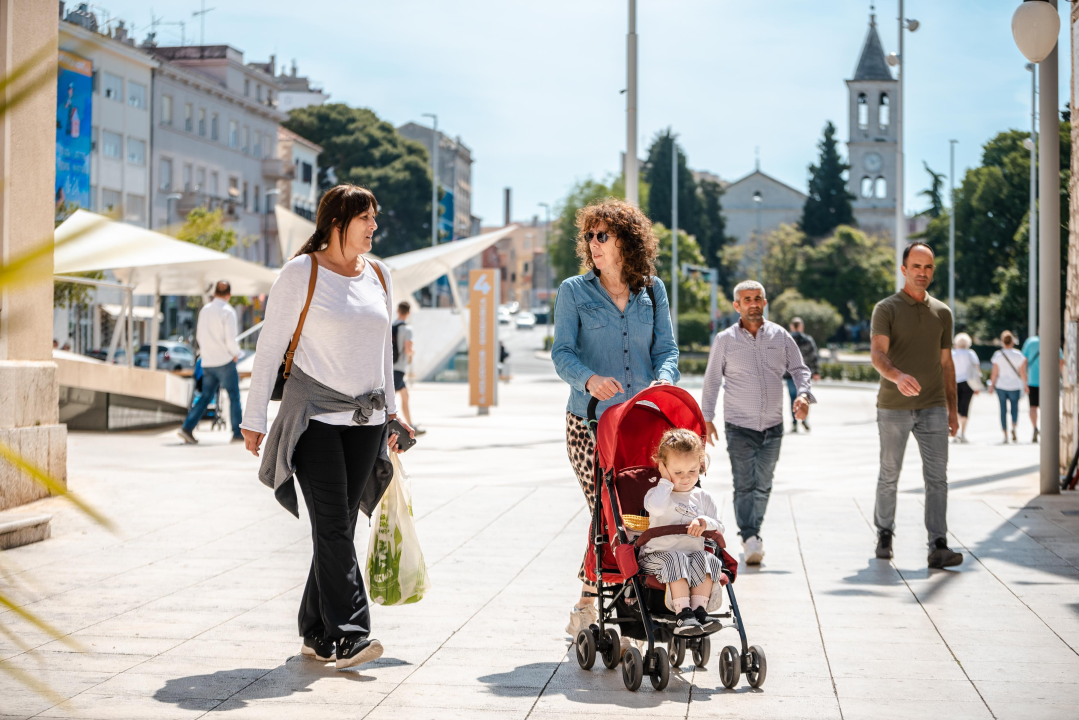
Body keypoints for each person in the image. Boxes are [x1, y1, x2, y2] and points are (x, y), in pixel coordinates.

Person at [239, 184, 414, 670]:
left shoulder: (378, 273)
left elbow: (384, 352)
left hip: (367, 420)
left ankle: (315, 632)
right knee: (334, 526)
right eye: (366, 219)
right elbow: (270, 349)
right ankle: (352, 634)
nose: (374, 227)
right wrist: (253, 419)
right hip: (313, 418)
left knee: (338, 527)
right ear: (337, 223)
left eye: (375, 219)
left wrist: (393, 412)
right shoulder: (302, 273)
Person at [551, 197, 679, 644]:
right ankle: (606, 602)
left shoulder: (653, 291)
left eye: (602, 235)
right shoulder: (573, 291)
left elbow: (667, 350)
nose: (593, 243)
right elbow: (561, 353)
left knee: (638, 513)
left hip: (642, 425)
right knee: (605, 513)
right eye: (589, 236)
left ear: (627, 241)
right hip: (589, 425)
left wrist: (662, 383)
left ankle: (595, 601)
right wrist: (589, 380)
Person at [701, 280, 815, 566]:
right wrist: (707, 418)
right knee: (744, 483)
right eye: (746, 299)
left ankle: (753, 532)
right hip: (738, 425)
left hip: (773, 425)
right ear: (736, 306)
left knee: (764, 483)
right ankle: (750, 535)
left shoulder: (780, 336)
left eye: (758, 298)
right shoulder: (726, 340)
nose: (753, 303)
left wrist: (803, 395)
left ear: (765, 302)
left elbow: (800, 370)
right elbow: (713, 379)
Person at [869, 242, 963, 569]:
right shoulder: (886, 309)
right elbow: (877, 355)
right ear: (904, 269)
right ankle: (884, 533)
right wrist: (897, 376)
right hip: (893, 407)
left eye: (928, 268)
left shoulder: (943, 312)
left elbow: (947, 365)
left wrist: (952, 410)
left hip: (935, 406)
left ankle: (938, 543)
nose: (922, 273)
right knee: (889, 474)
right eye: (916, 266)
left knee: (938, 478)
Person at [639, 428, 724, 636]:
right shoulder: (657, 494)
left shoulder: (703, 497)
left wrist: (705, 521)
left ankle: (699, 610)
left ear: (700, 466)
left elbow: (719, 526)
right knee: (676, 558)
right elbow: (656, 509)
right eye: (678, 473)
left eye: (692, 471)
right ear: (663, 467)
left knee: (709, 559)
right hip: (656, 556)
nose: (686, 478)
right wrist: (666, 481)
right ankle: (683, 613)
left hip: (690, 556)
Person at [178, 280, 243, 445]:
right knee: (234, 397)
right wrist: (235, 354)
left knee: (205, 396)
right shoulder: (228, 312)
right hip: (224, 361)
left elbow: (199, 336)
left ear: (215, 293)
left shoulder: (205, 310)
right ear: (229, 294)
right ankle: (237, 433)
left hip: (207, 362)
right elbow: (230, 339)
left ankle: (187, 428)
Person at [392, 301, 425, 436]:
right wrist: (412, 352)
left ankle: (411, 426)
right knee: (389, 401)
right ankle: (389, 428)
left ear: (398, 311)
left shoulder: (391, 326)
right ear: (408, 312)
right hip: (399, 368)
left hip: (390, 366)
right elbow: (408, 349)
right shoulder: (407, 329)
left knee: (405, 396)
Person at [989, 330, 1027, 444]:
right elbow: (1022, 372)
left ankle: (1005, 434)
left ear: (1002, 341)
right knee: (1014, 408)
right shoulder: (1018, 355)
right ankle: (1014, 427)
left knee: (1003, 410)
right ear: (1012, 342)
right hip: (1014, 385)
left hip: (1001, 385)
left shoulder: (998, 355)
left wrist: (991, 385)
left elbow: (994, 373)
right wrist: (1025, 385)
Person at [785, 317, 821, 433]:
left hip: (790, 375)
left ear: (791, 326)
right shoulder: (808, 340)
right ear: (801, 327)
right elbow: (814, 357)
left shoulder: (787, 339)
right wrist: (816, 372)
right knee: (805, 397)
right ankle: (804, 419)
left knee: (793, 399)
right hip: (804, 375)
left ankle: (794, 423)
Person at [951, 332, 981, 443]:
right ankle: (963, 434)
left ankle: (956, 433)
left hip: (954, 383)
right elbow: (977, 370)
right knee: (965, 408)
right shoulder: (971, 353)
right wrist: (978, 386)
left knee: (955, 408)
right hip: (969, 383)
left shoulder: (953, 354)